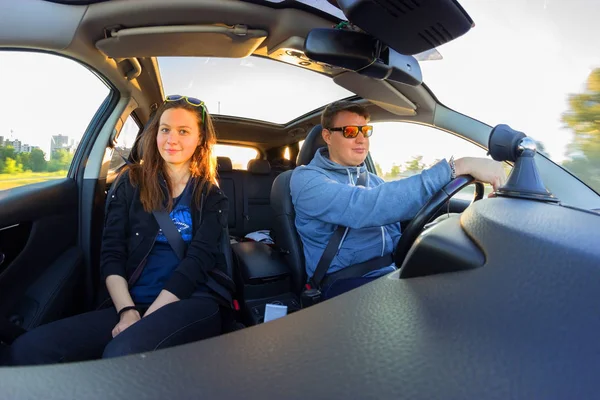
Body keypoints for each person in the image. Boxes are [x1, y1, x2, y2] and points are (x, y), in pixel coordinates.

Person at [4, 95, 230, 365]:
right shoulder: (130, 183)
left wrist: (148, 319)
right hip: (129, 301)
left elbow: (197, 262)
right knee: (28, 349)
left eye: (183, 131)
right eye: (165, 129)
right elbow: (111, 254)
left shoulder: (210, 196)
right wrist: (127, 311)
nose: (172, 139)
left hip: (190, 300)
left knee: (122, 354)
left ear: (200, 139)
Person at [290, 100, 506, 299]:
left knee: (474, 285)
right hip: (345, 281)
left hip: (393, 270)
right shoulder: (306, 179)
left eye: (365, 131)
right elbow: (366, 206)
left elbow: (401, 210)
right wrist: (457, 167)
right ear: (327, 136)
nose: (361, 139)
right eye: (350, 131)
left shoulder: (373, 180)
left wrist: (478, 211)